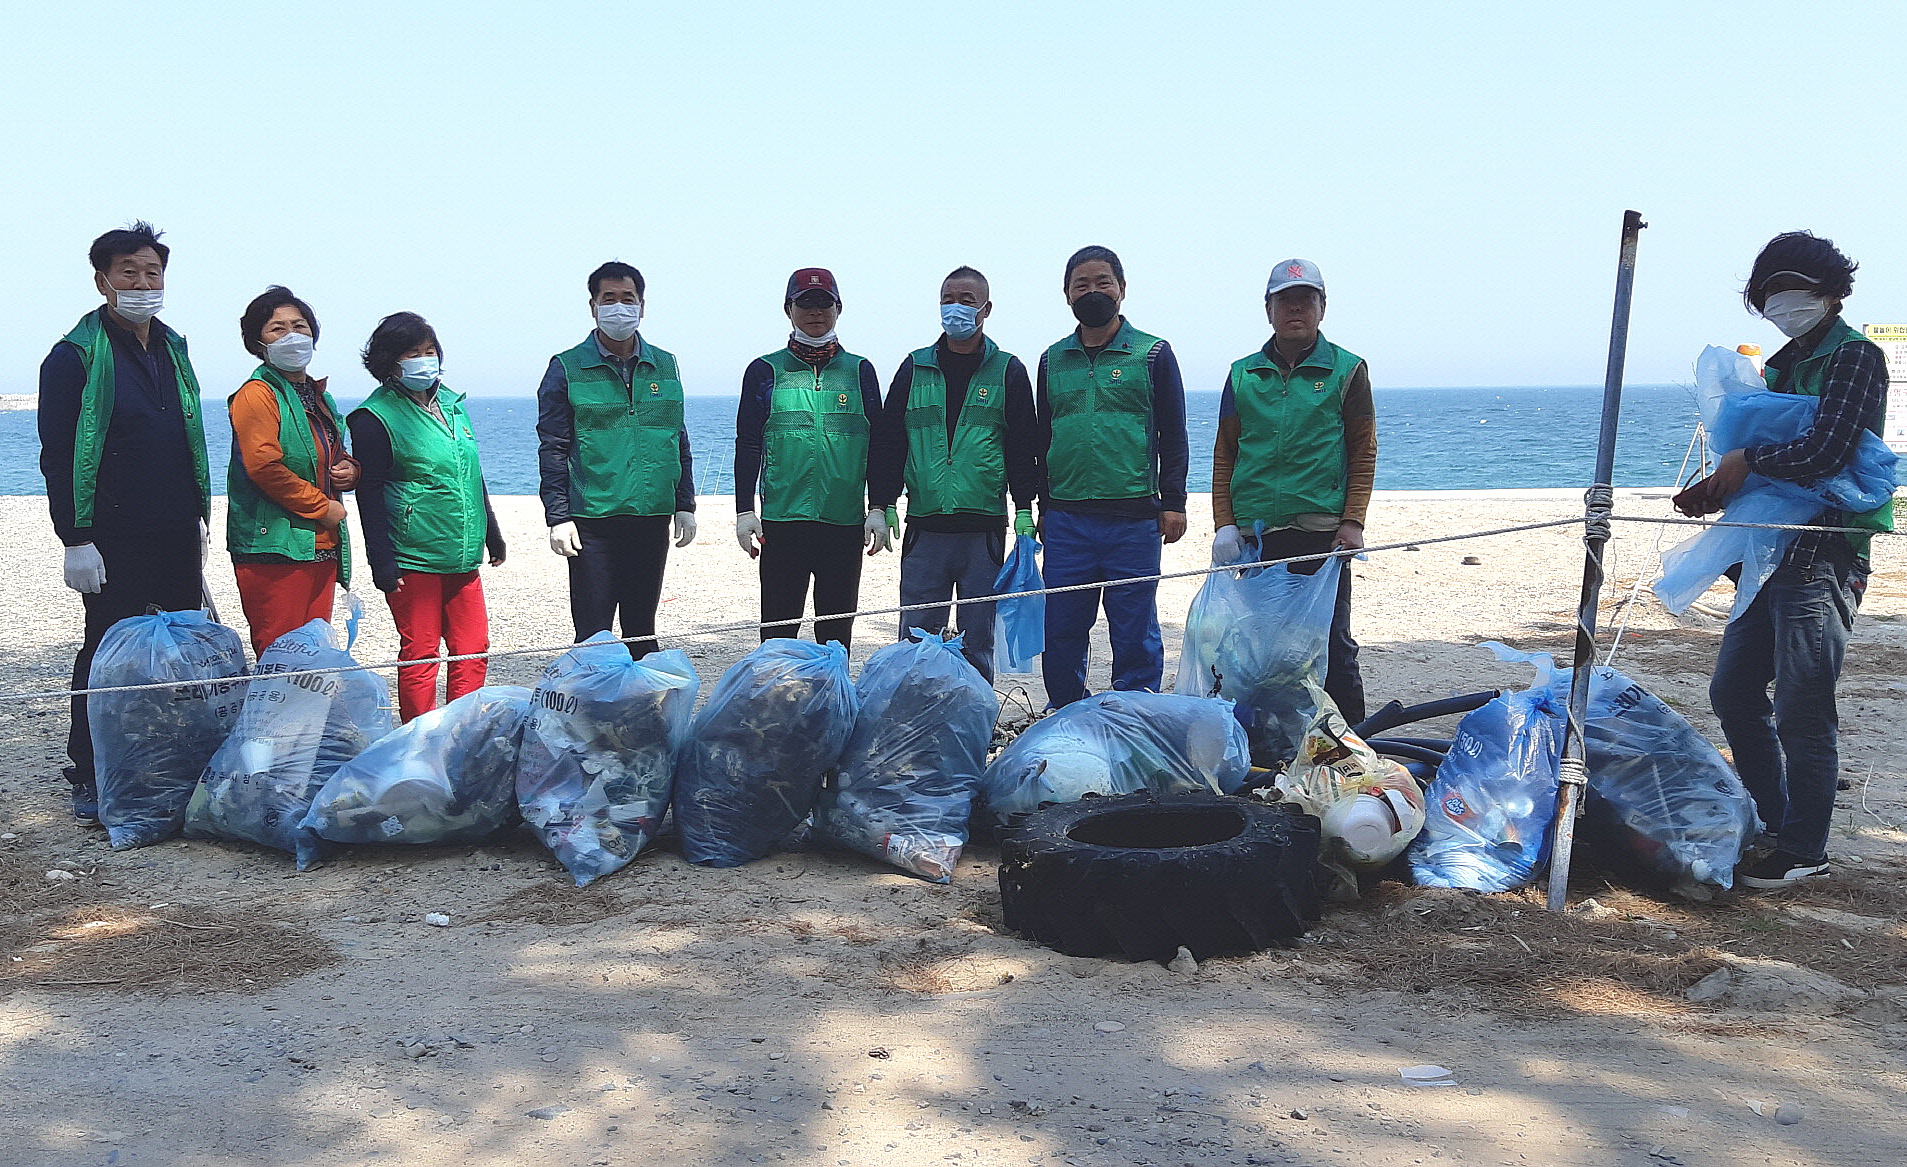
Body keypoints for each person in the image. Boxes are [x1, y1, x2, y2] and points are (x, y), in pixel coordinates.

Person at [1676, 231, 1892, 891]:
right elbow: (1759, 449)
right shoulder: (1779, 361)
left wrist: (1748, 462)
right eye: (1768, 293)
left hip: (1823, 547)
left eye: (1792, 290)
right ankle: (1773, 822)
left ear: (1829, 291)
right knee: (1734, 690)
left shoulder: (1855, 358)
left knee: (1802, 700)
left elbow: (1825, 453)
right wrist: (1717, 488)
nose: (1781, 303)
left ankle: (1804, 847)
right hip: (1766, 548)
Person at [38, 222, 212, 824]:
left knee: (181, 648)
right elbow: (58, 453)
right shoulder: (74, 356)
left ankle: (168, 762)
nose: (142, 283)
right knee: (106, 651)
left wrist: (198, 517)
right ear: (102, 280)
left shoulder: (172, 346)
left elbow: (185, 435)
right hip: (111, 531)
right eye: (129, 273)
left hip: (174, 525)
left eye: (152, 272)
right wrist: (75, 539)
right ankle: (89, 770)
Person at [1209, 259, 1375, 724]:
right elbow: (1226, 453)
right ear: (1268, 310)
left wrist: (1353, 520)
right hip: (1258, 535)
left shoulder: (1347, 369)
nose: (1295, 308)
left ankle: (1355, 741)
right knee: (1260, 647)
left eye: (1306, 299)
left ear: (1323, 307)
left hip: (1322, 533)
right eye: (1285, 301)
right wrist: (1224, 523)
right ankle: (1269, 739)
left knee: (1331, 642)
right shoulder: (1243, 374)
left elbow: (1363, 452)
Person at [1035, 245, 1188, 707]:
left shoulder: (1152, 353)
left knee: (1135, 629)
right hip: (1067, 519)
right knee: (1061, 628)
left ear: (1122, 289)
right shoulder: (1051, 359)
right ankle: (1064, 710)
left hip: (1134, 518)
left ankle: (1135, 715)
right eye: (1081, 284)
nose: (1093, 291)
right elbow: (1041, 439)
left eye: (1103, 282)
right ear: (1066, 295)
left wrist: (1174, 502)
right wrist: (1043, 507)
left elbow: (1173, 433)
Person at [869, 266, 1037, 682]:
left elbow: (1022, 446)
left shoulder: (1008, 370)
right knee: (915, 639)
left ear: (986, 308)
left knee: (977, 637)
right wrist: (882, 502)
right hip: (926, 528)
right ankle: (915, 716)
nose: (955, 308)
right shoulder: (914, 367)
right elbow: (890, 439)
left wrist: (1024, 509)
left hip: (983, 529)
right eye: (948, 299)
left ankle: (973, 718)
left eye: (966, 300)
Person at [348, 312, 506, 721]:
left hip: (461, 551)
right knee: (420, 654)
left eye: (429, 351)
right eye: (412, 353)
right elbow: (369, 492)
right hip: (412, 556)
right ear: (389, 362)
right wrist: (381, 560)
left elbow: (469, 470)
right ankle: (418, 737)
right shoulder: (374, 417)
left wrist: (491, 531)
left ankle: (463, 729)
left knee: (473, 647)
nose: (424, 360)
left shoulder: (452, 404)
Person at [537, 261, 696, 658]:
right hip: (594, 520)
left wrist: (684, 504)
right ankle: (589, 717)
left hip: (650, 517)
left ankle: (642, 716)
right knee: (593, 637)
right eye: (609, 299)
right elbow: (553, 446)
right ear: (593, 306)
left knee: (642, 631)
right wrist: (558, 516)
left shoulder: (665, 363)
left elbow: (676, 436)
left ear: (642, 306)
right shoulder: (566, 367)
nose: (619, 307)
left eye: (628, 298)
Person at [733, 268, 887, 649]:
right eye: (805, 303)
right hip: (783, 524)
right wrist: (743, 510)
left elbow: (879, 445)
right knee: (778, 635)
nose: (815, 312)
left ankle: (831, 706)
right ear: (788, 309)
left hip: (844, 523)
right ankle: (778, 705)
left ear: (839, 308)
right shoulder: (764, 370)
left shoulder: (860, 371)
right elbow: (748, 442)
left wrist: (879, 507)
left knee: (835, 638)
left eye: (824, 303)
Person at [227, 286, 360, 658]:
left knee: (314, 652)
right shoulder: (257, 394)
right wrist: (323, 507)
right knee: (281, 654)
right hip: (275, 547)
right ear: (258, 343)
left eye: (299, 326)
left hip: (321, 545)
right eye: (277, 329)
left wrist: (349, 469)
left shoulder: (318, 395)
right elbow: (264, 466)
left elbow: (331, 451)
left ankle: (309, 720)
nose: (292, 336)